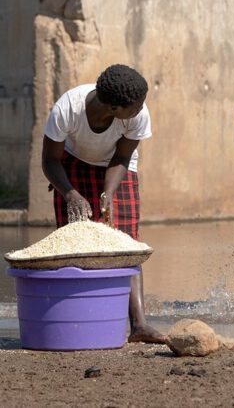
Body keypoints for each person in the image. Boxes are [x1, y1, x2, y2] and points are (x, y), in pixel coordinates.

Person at [41, 64, 166, 344]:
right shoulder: (67, 109)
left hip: (116, 167)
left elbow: (121, 159)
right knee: (75, 243)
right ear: (114, 108)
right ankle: (80, 318)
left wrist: (108, 192)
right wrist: (70, 193)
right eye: (135, 106)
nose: (141, 109)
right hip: (71, 164)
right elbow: (49, 160)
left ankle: (139, 326)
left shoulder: (137, 115)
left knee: (127, 244)